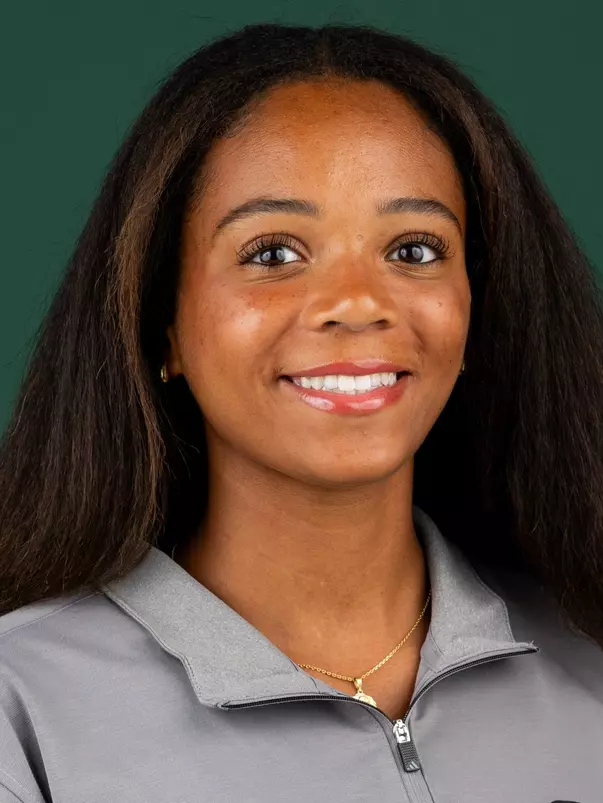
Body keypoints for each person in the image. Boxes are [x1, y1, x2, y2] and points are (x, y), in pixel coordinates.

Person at [0, 21, 602, 803]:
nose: (355, 302)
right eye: (272, 253)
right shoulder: (23, 712)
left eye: (413, 249)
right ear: (162, 325)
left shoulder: (586, 660)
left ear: (476, 311)